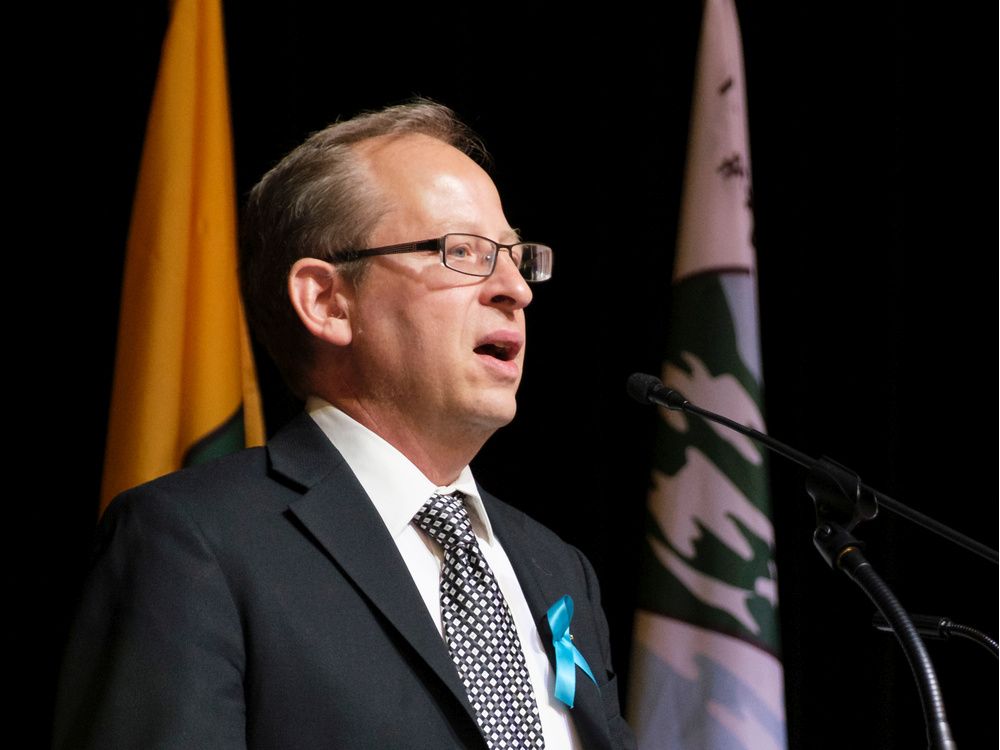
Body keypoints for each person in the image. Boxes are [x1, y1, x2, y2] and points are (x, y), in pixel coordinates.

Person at [53, 100, 635, 750]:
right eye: (462, 250)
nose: (515, 290)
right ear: (328, 301)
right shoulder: (194, 544)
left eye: (515, 256)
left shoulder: (559, 569)